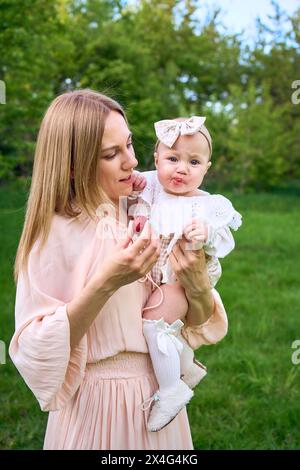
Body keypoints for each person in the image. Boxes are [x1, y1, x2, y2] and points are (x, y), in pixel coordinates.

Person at [9, 90, 228, 450]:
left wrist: (199, 287)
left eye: (129, 144)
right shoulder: (55, 234)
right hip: (95, 409)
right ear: (73, 164)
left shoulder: (146, 211)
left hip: (161, 401)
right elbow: (34, 352)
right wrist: (106, 283)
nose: (133, 161)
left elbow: (195, 323)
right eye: (112, 154)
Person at [129, 116, 242, 432]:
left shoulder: (208, 204)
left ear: (207, 168)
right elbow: (129, 183)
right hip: (157, 275)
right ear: (157, 160)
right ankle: (185, 365)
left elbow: (226, 240)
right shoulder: (152, 185)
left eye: (194, 162)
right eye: (172, 159)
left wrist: (205, 232)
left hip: (182, 277)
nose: (181, 169)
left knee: (154, 324)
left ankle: (171, 391)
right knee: (163, 326)